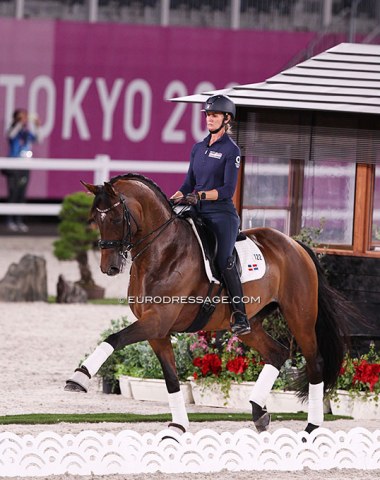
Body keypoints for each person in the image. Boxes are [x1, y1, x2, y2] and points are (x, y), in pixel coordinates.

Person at [170, 94, 251, 336]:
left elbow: (228, 189)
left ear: (227, 119)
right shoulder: (198, 147)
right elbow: (188, 183)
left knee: (224, 259)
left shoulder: (231, 151)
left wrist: (202, 196)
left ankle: (240, 314)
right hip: (197, 208)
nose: (209, 119)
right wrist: (173, 198)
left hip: (221, 214)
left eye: (214, 115)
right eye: (207, 115)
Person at [3, 108, 40, 232]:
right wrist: (18, 122)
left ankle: (19, 220)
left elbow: (38, 139)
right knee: (13, 193)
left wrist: (37, 126)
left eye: (24, 117)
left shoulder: (26, 132)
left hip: (25, 166)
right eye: (20, 117)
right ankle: (10, 220)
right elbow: (11, 135)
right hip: (13, 166)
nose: (24, 119)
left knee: (21, 194)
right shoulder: (12, 130)